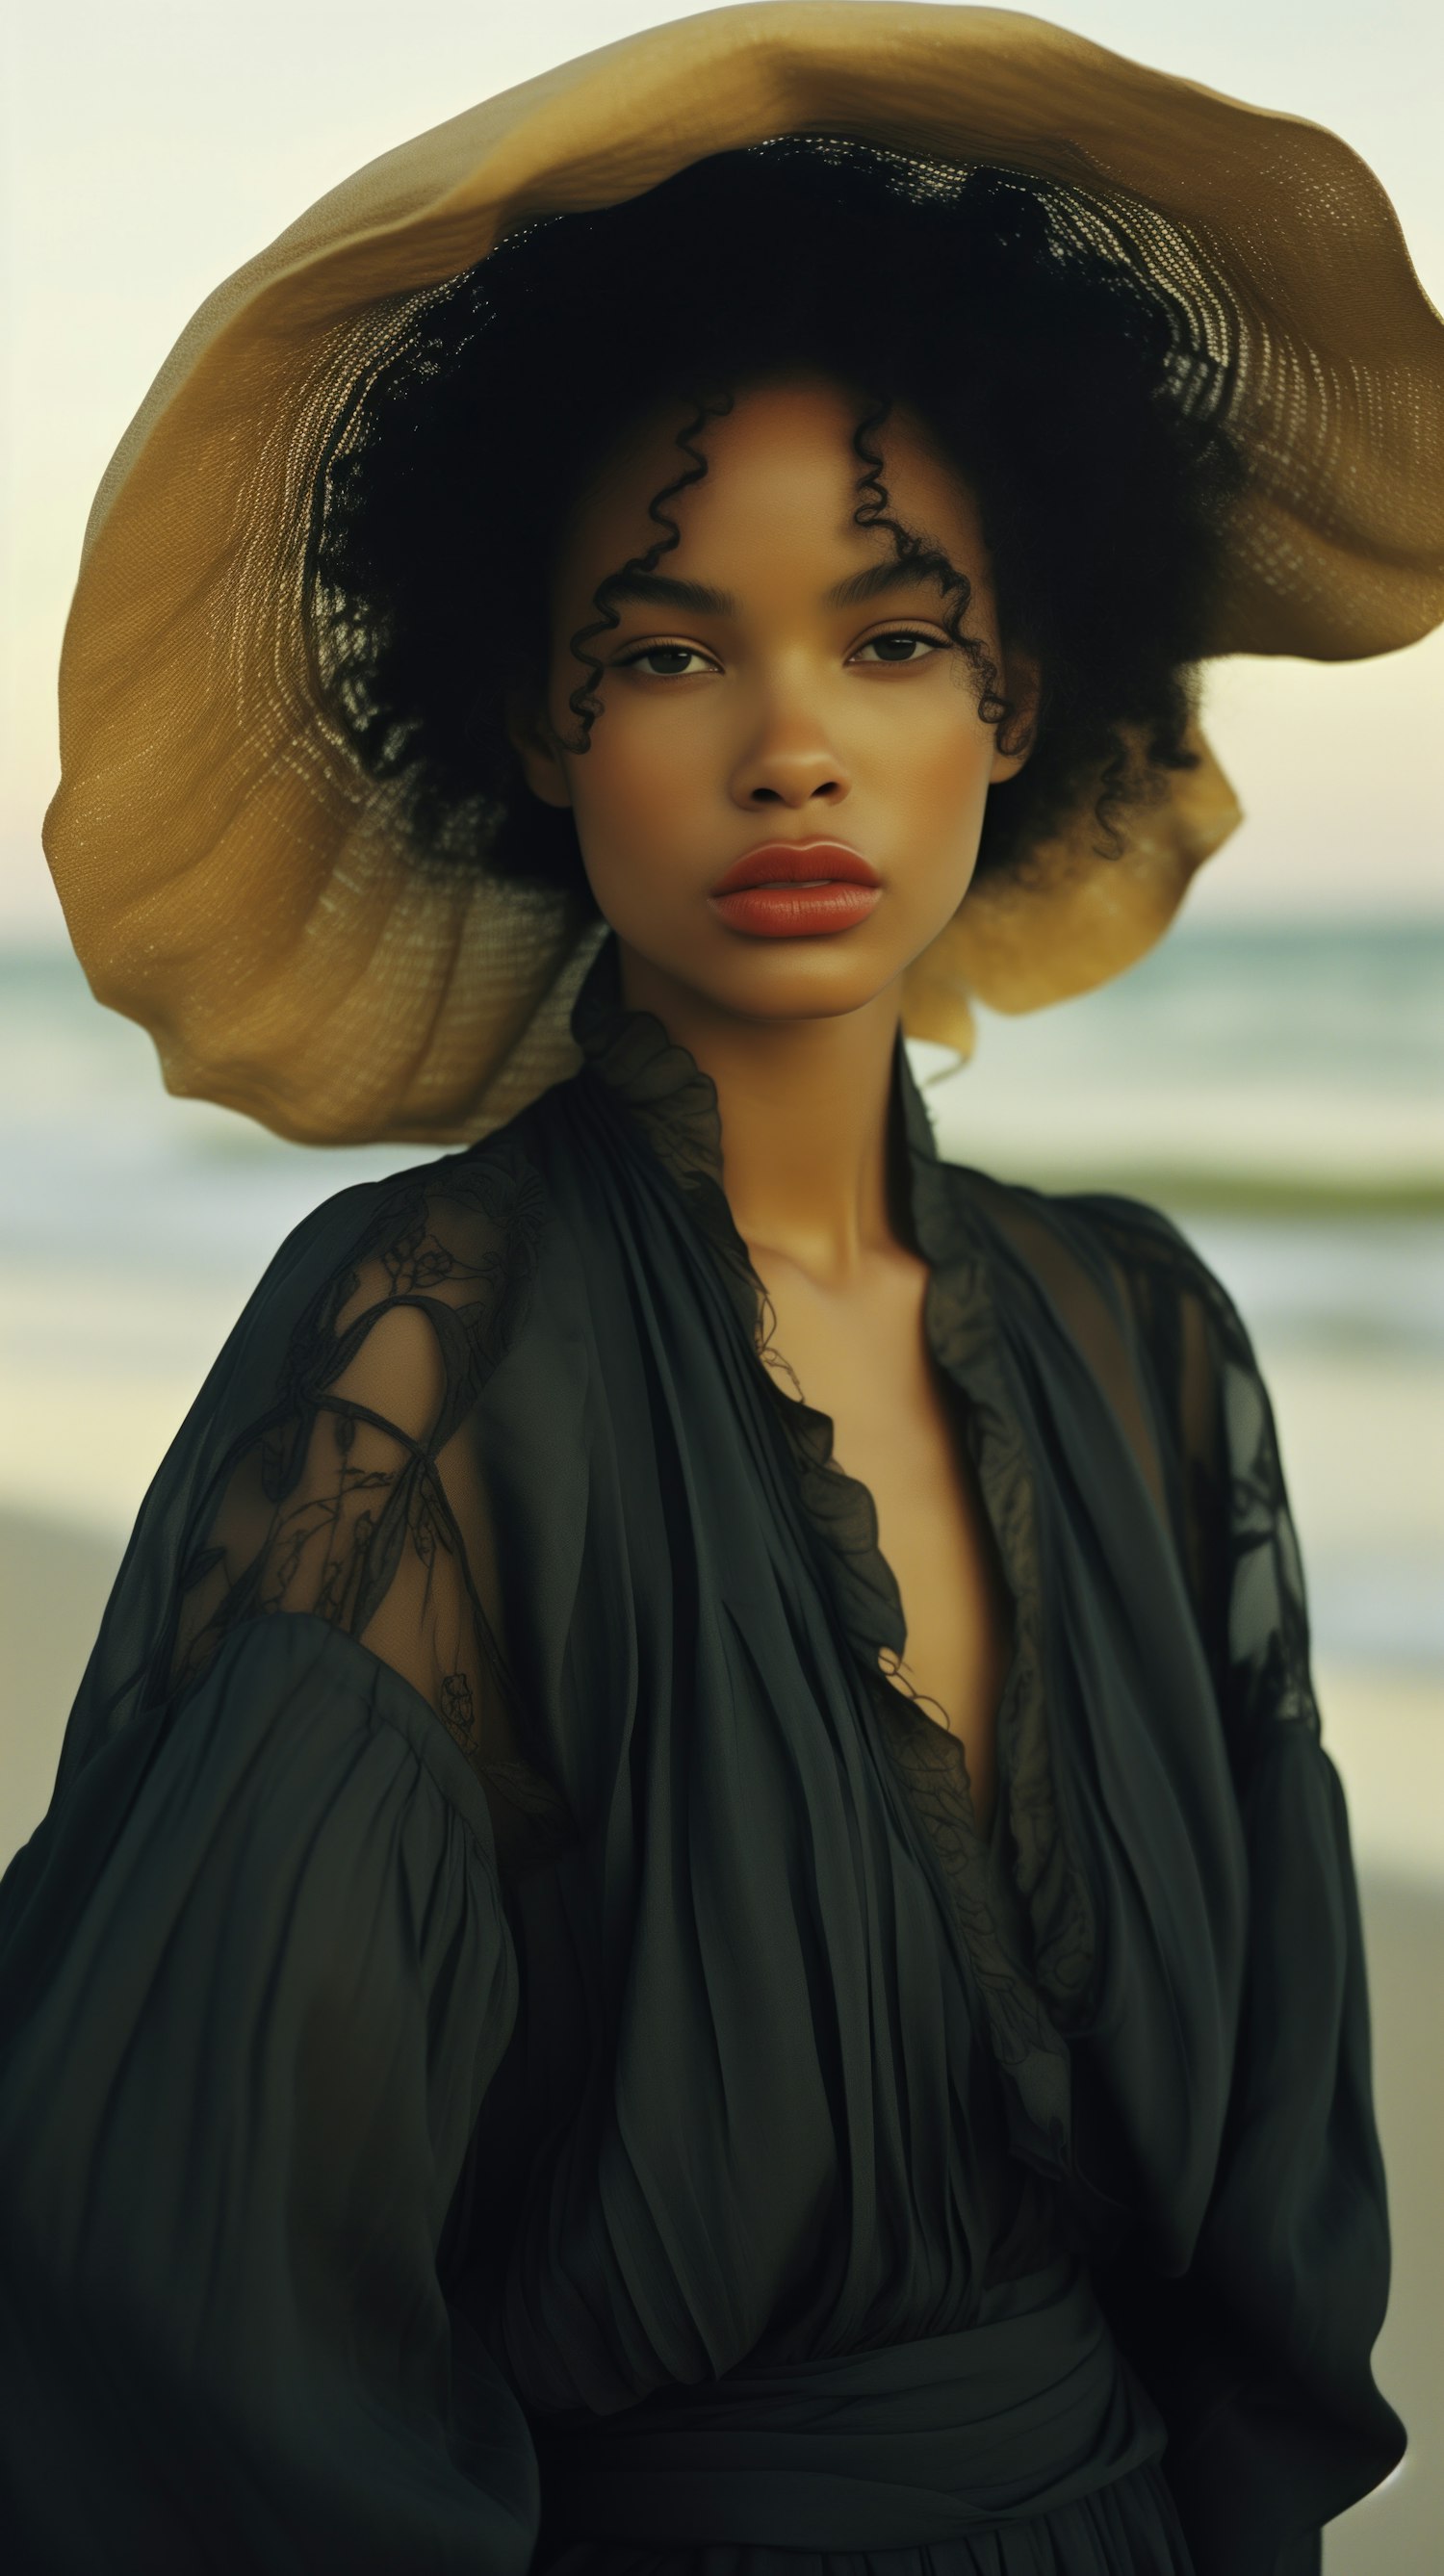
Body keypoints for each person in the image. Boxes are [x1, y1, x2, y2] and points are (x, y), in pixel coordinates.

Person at [2, 9, 1440, 2571]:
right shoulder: (427, 1351)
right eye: (671, 650)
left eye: (891, 641)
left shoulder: (1151, 1348)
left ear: (1019, 695)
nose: (794, 744)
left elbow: (1266, 2267)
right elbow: (178, 2296)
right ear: (536, 727)